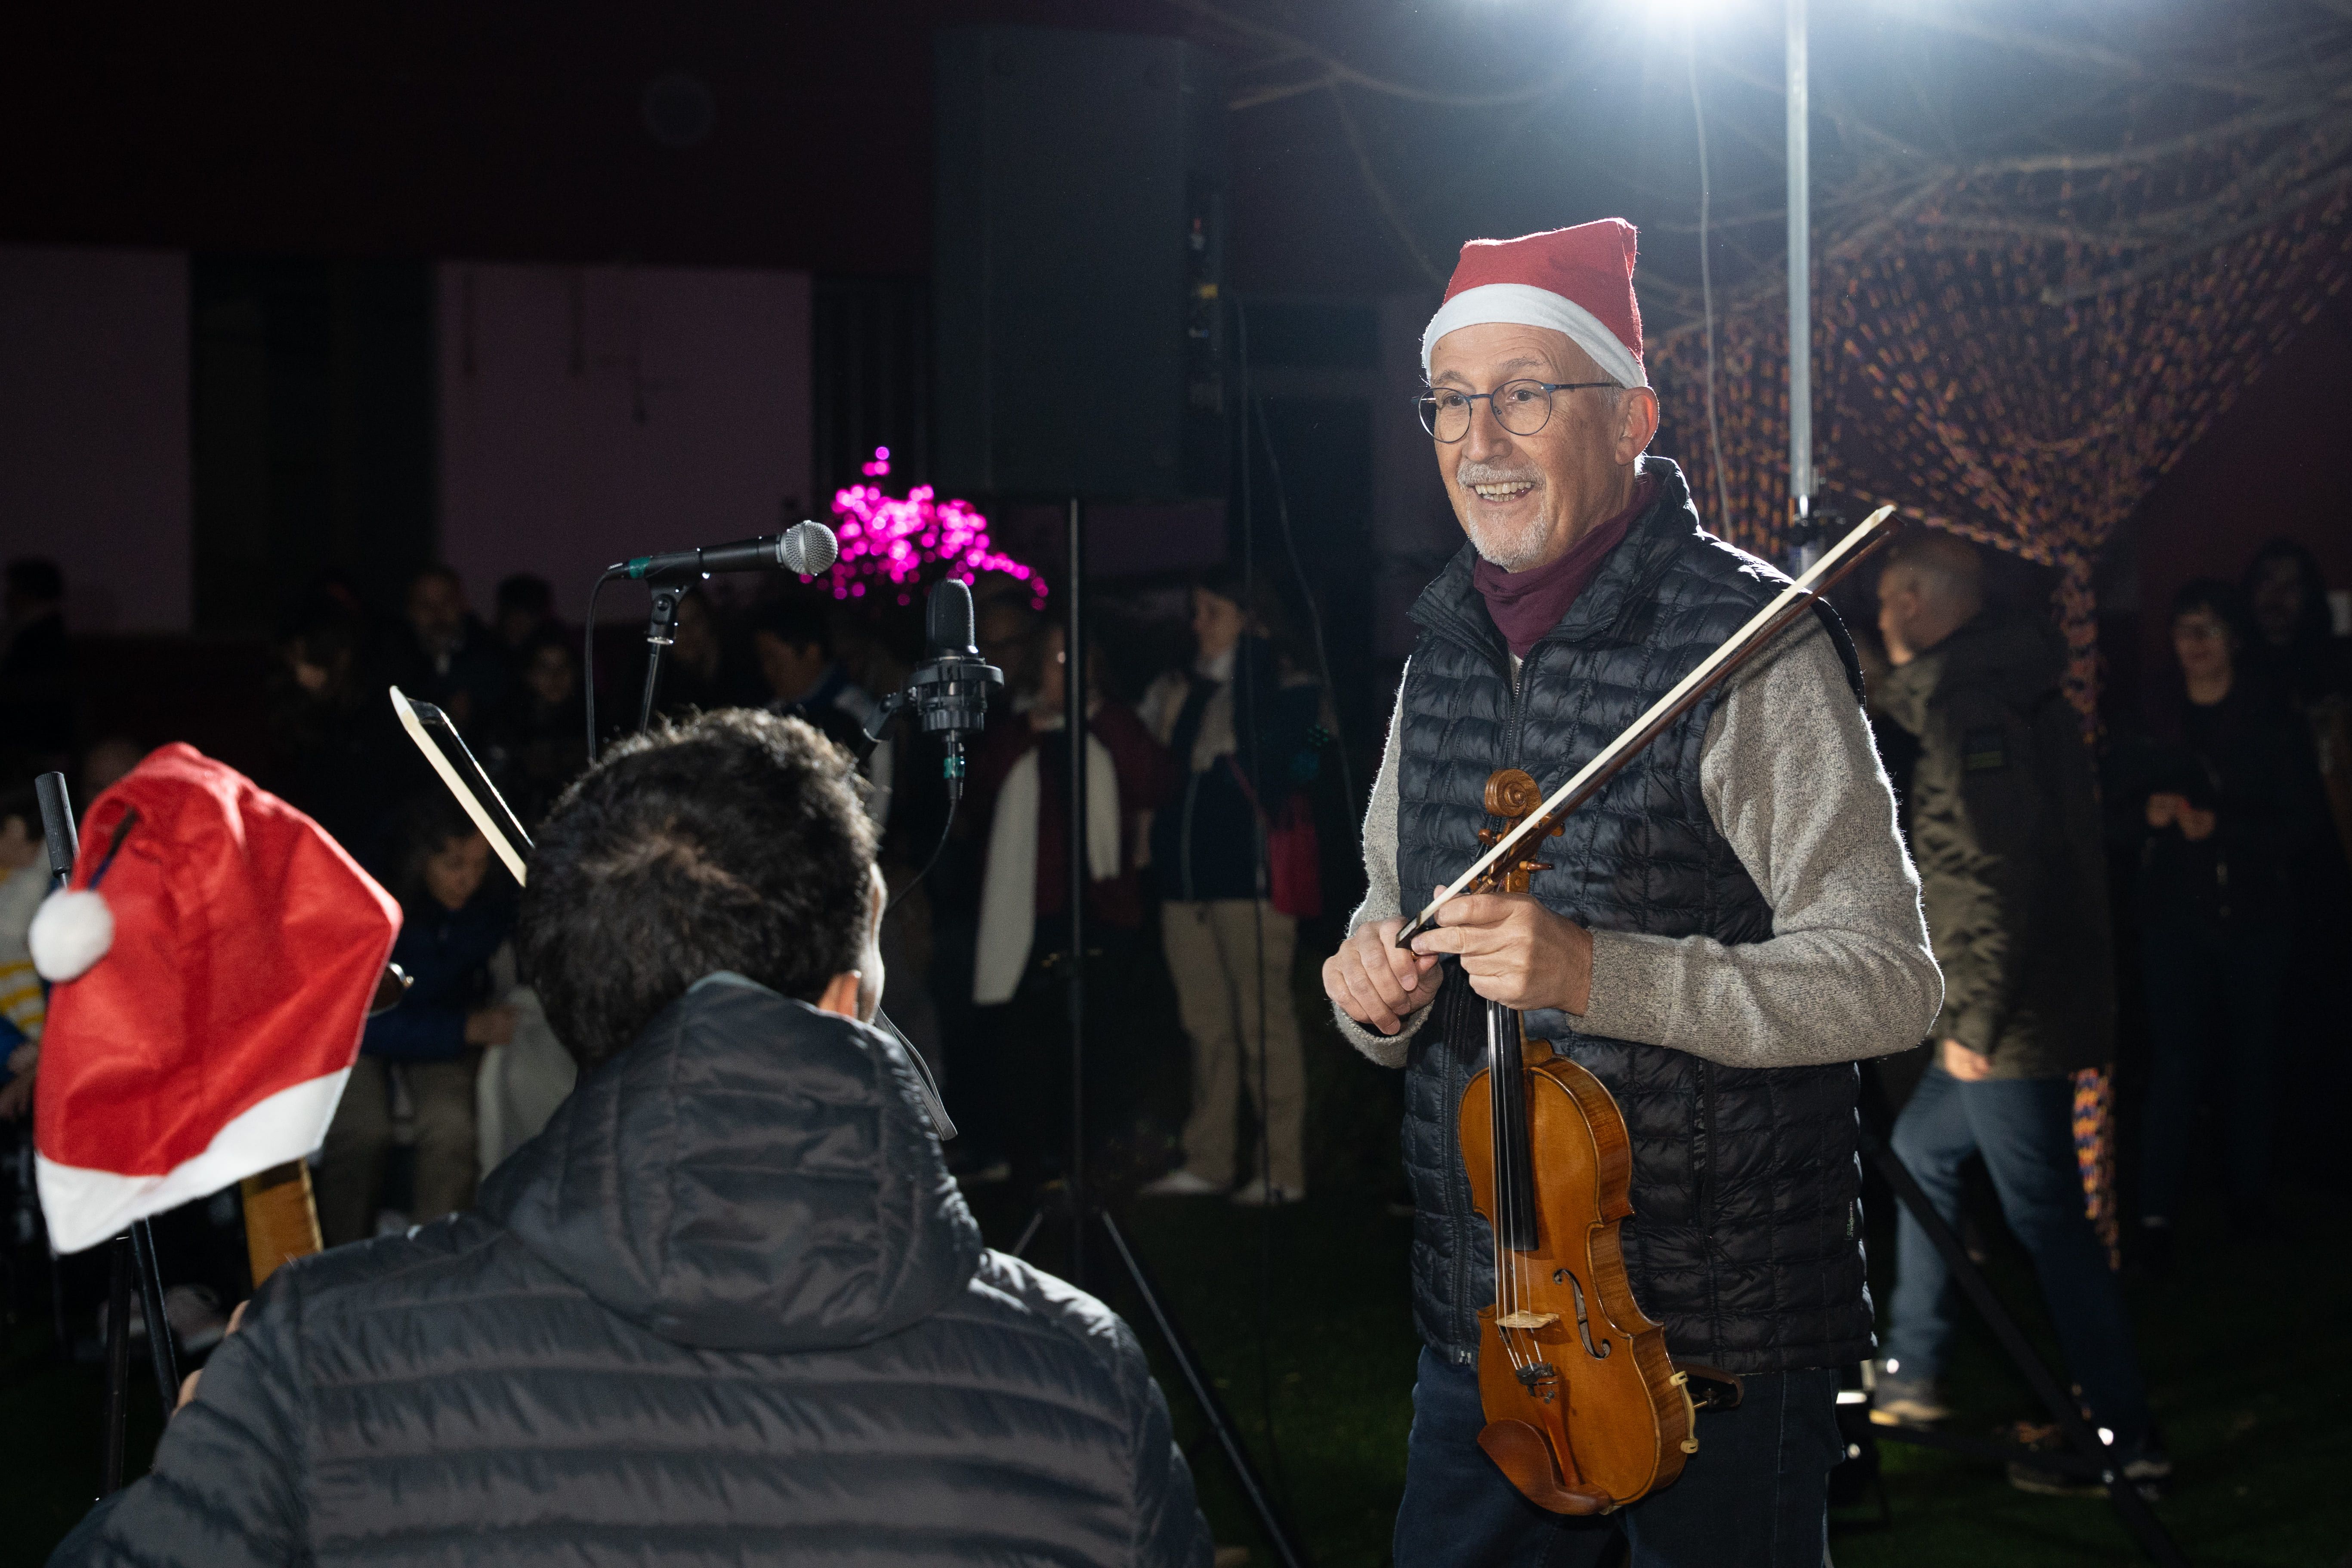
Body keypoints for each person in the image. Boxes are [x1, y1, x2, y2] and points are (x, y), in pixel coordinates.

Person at [50, 708, 1212, 1568]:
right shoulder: (1079, 1379)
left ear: (578, 1001)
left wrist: (200, 1456)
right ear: (850, 1000)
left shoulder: (322, 1353)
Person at [1320, 220, 1942, 1566]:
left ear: (1630, 417)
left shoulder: (1750, 649)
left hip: (1712, 1343)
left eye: (1526, 391)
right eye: (1450, 400)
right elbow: (1386, 904)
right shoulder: (1441, 656)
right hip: (1486, 1335)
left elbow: (1888, 978)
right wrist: (1369, 984)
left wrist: (1602, 973)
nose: (1479, 437)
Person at [1866, 532, 2164, 1495]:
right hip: (2014, 1008)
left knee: (2049, 1221)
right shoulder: (1985, 685)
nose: (1880, 618)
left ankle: (2124, 1440)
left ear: (1911, 598)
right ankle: (1911, 1372)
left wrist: (1976, 1027)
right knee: (1922, 1156)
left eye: (1883, 602)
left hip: (2011, 1019)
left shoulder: (1972, 708)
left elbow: (1998, 878)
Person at [2108, 580, 2327, 1261]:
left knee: (2250, 1063)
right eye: (2183, 631)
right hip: (2174, 917)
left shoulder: (2267, 720)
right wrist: (2143, 818)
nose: (2194, 645)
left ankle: (2248, 1201)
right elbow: (2104, 811)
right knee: (2176, 1064)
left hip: (2253, 917)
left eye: (2206, 630)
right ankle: (2153, 1215)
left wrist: (2223, 829)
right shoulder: (2151, 718)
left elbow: (2303, 824)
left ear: (2232, 638)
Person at [1138, 570, 1323, 1206]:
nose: (1196, 625)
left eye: (1210, 611)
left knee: (1262, 1025)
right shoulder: (1184, 690)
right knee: (1205, 1025)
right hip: (1186, 887)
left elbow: (1296, 763)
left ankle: (1281, 1170)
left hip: (1252, 883)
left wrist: (1250, 668)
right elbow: (1162, 770)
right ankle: (1210, 1158)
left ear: (1249, 618)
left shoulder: (1289, 687)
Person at [969, 621, 1173, 1196]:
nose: (1065, 665)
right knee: (1030, 1044)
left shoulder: (1114, 722)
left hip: (1101, 910)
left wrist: (1099, 721)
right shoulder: (1014, 727)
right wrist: (1027, 737)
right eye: (1055, 655)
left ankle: (1093, 1157)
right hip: (1025, 913)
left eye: (1075, 654)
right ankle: (1036, 1160)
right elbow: (976, 791)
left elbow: (1155, 780)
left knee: (1098, 1043)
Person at [312, 796, 514, 1246]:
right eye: (454, 863)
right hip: (366, 1031)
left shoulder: (490, 902)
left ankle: (431, 1263)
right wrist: (459, 1029)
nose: (469, 880)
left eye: (480, 864)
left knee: (452, 1131)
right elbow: (353, 1013)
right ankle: (336, 1262)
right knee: (361, 1132)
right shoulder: (369, 896)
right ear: (421, 856)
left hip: (442, 1023)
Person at [753, 598, 892, 824]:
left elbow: (881, 793)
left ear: (811, 652)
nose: (767, 670)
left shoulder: (863, 715)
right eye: (762, 660)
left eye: (773, 658)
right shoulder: (767, 717)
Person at [381, 564, 507, 729]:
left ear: (462, 603)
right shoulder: (390, 658)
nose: (437, 613)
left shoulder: (493, 655)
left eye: (446, 602)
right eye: (425, 605)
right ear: (410, 610)